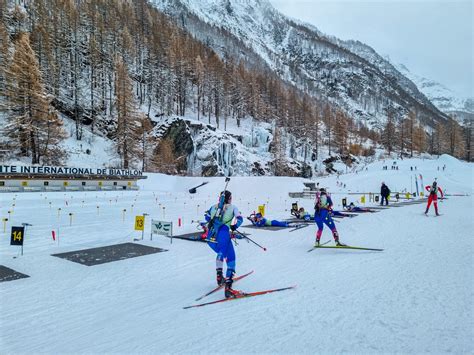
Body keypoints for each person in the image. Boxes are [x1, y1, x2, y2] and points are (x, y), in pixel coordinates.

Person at [203, 190, 244, 298]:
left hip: (210, 236)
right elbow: (240, 219)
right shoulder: (233, 207)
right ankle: (228, 288)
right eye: (231, 197)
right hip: (223, 234)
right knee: (231, 258)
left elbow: (207, 217)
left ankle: (220, 277)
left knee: (221, 253)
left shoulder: (213, 207)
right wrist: (234, 226)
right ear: (229, 198)